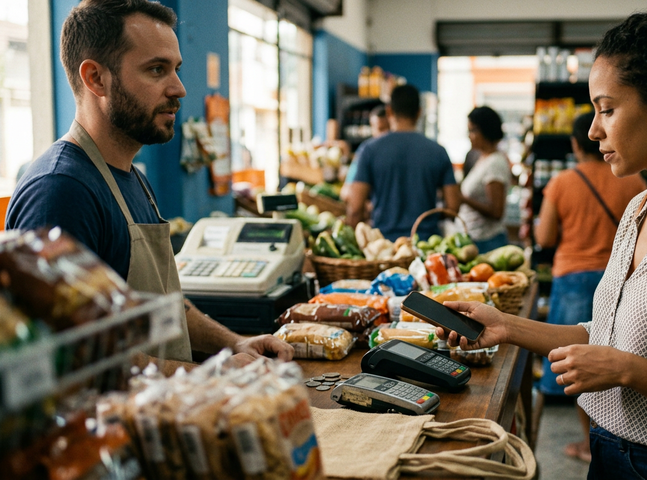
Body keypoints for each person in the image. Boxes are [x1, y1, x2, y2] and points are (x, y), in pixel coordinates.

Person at [440, 7, 647, 479]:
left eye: (607, 109)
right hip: (608, 453)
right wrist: (505, 326)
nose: (594, 129)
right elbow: (607, 336)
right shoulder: (639, 208)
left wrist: (628, 371)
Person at [5, 0, 293, 375]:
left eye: (176, 69)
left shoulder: (133, 177)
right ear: (95, 78)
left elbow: (161, 308)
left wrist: (234, 343)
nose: (179, 89)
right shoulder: (62, 191)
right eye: (156, 69)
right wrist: (212, 373)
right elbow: (72, 359)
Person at [534, 112, 647, 463]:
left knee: (576, 365)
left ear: (574, 143)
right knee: (613, 362)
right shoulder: (634, 181)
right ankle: (615, 442)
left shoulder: (562, 182)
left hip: (573, 277)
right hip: (622, 278)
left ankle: (588, 442)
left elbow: (544, 237)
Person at [346, 84, 460, 241]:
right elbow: (453, 208)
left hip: (384, 245)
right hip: (426, 245)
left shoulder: (369, 150)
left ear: (389, 111)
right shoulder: (438, 152)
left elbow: (355, 209)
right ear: (419, 113)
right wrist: (430, 217)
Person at [458, 106, 511, 253]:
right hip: (477, 239)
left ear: (485, 131)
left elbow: (496, 211)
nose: (469, 136)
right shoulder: (482, 158)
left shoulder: (495, 163)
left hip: (487, 242)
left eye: (473, 131)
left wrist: (463, 198)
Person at [340, 104, 389, 202]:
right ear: (372, 128)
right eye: (380, 129)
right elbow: (346, 193)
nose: (384, 134)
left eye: (387, 129)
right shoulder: (366, 153)